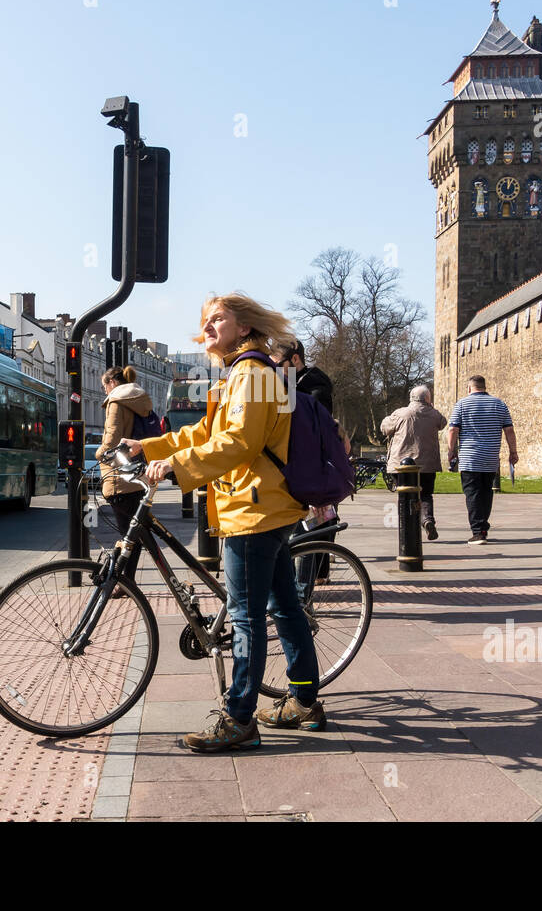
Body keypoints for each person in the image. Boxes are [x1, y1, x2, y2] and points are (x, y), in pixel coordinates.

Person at [122, 292, 323, 752]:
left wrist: (176, 466)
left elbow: (238, 444)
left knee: (246, 617)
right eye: (206, 320)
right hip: (264, 505)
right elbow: (209, 432)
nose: (209, 327)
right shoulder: (245, 373)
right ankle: (305, 703)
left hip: (252, 510)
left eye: (219, 319)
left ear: (244, 327)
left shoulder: (252, 374)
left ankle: (238, 720)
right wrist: (150, 447)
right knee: (284, 607)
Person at [447, 375, 518, 544]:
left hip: (470, 458)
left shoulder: (462, 404)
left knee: (472, 494)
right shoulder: (499, 404)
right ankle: (483, 527)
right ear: (484, 387)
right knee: (486, 493)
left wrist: (451, 451)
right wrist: (513, 452)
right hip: (490, 457)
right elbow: (509, 430)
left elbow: (452, 430)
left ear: (469, 388)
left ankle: (478, 532)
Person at [98, 364, 154, 574]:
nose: (105, 391)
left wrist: (98, 454)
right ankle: (126, 579)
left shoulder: (116, 402)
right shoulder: (139, 399)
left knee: (127, 534)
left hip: (120, 476)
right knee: (136, 532)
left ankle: (124, 581)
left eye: (105, 386)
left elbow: (111, 441)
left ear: (112, 383)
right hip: (138, 472)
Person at [381, 386, 447, 540]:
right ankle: (427, 520)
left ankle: (407, 530)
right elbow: (442, 423)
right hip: (427, 465)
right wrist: (430, 407)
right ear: (428, 399)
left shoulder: (400, 413)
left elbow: (384, 428)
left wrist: (387, 419)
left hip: (401, 465)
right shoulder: (434, 414)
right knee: (425, 495)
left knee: (404, 496)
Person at [276, 340, 334, 414]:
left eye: (279, 365)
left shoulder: (316, 393)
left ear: (295, 359)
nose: (275, 370)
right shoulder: (288, 385)